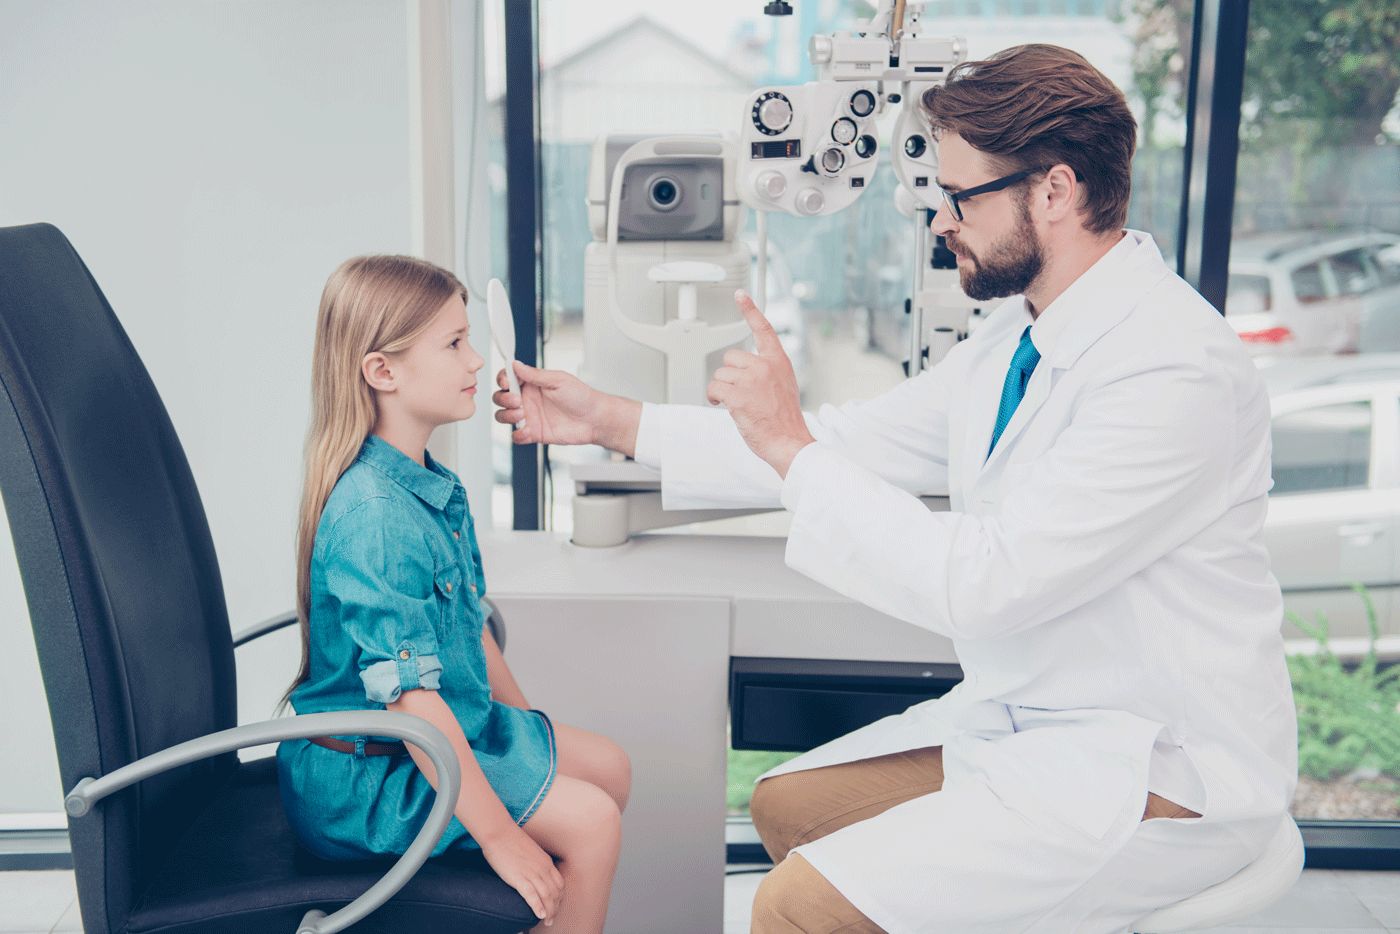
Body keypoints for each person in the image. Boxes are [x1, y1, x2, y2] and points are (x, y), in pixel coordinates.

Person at [493, 44, 1297, 934]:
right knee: (785, 807)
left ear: (1056, 192)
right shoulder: (1019, 334)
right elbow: (846, 444)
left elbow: (988, 583)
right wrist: (610, 420)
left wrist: (790, 444)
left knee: (795, 907)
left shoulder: (1174, 370)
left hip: (1159, 759)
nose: (940, 220)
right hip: (1040, 724)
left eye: (960, 197)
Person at [276, 255, 630, 934]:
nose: (477, 361)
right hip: (372, 780)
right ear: (382, 371)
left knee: (609, 768)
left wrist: (525, 737)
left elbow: (469, 629)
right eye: (454, 343)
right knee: (591, 823)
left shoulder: (429, 486)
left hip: (432, 737)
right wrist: (502, 837)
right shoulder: (376, 517)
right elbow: (410, 701)